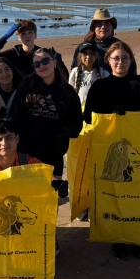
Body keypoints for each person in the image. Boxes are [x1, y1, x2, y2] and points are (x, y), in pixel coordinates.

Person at [82, 41, 140, 259]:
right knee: (113, 193)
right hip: (109, 149)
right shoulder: (100, 87)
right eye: (116, 58)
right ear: (108, 60)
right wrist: (111, 114)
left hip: (138, 147)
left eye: (125, 58)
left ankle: (137, 237)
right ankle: (117, 236)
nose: (120, 62)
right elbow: (89, 117)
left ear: (131, 60)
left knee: (137, 193)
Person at [9, 48, 83, 181]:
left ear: (54, 62)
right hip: (26, 153)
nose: (42, 66)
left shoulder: (67, 92)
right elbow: (14, 115)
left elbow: (76, 125)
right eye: (37, 64)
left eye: (45, 61)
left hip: (53, 154)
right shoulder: (26, 87)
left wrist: (60, 137)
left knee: (51, 192)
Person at [0, 19, 68, 79]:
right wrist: (4, 38)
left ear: (35, 35)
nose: (27, 36)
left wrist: (59, 62)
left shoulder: (42, 54)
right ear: (18, 37)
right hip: (18, 92)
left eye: (30, 33)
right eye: (23, 34)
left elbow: (65, 77)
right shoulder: (12, 54)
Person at [70, 8, 135, 74]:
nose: (103, 27)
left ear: (112, 27)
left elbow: (132, 72)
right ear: (94, 28)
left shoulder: (121, 47)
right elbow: (75, 70)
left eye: (107, 23)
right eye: (99, 24)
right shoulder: (83, 47)